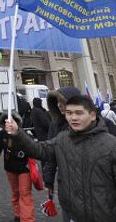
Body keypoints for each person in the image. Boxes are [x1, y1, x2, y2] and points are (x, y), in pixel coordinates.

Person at [4, 94, 116, 222]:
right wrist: (18, 133)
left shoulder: (115, 146)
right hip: (73, 216)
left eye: (79, 113)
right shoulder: (62, 139)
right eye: (69, 113)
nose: (73, 118)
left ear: (92, 115)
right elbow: (40, 150)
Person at [42, 86, 80, 222]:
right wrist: (48, 180)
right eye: (56, 101)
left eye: (62, 100)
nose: (59, 105)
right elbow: (50, 155)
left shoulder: (91, 122)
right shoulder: (55, 125)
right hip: (66, 184)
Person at [0, 113, 34, 222]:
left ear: (16, 122)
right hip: (10, 168)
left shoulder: (22, 133)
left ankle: (27, 219)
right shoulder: (2, 135)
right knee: (15, 192)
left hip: (24, 169)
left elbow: (33, 148)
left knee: (25, 193)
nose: (8, 124)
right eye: (6, 122)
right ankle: (18, 215)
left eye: (10, 122)